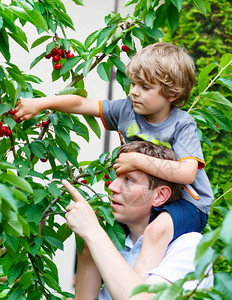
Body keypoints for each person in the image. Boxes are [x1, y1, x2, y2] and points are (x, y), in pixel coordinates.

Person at [15, 42, 213, 278]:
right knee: (95, 238)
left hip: (188, 204)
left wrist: (136, 161)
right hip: (145, 200)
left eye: (145, 87)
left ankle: (136, 290)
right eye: (133, 83)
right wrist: (42, 103)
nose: (134, 92)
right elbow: (82, 104)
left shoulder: (182, 125)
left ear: (172, 93)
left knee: (156, 231)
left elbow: (187, 173)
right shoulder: (128, 110)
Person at [63, 141, 213, 299]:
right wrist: (87, 245)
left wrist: (92, 231)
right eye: (116, 177)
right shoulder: (115, 244)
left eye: (129, 179)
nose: (112, 186)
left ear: (160, 195)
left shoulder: (191, 247)